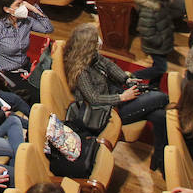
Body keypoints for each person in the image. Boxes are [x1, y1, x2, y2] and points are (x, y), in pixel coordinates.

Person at [65, 22, 169, 170]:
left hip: (116, 97)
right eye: (96, 39)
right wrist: (122, 97)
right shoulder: (81, 71)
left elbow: (109, 66)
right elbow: (94, 99)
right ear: (87, 46)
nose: (100, 42)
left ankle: (159, 159)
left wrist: (126, 79)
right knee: (161, 97)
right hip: (107, 112)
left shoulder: (92, 56)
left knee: (160, 116)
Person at [0, 0, 52, 82]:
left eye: (22, 3)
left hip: (26, 66)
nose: (23, 7)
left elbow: (48, 28)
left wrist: (34, 10)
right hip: (8, 73)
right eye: (18, 5)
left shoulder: (27, 21)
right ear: (7, 9)